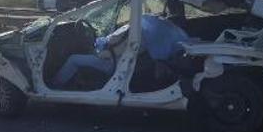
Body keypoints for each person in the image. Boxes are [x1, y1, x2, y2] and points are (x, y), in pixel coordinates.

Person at [53, 15, 189, 88]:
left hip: (113, 62)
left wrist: (95, 47)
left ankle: (55, 86)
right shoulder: (152, 34)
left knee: (73, 59)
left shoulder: (132, 31)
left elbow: (107, 49)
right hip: (123, 60)